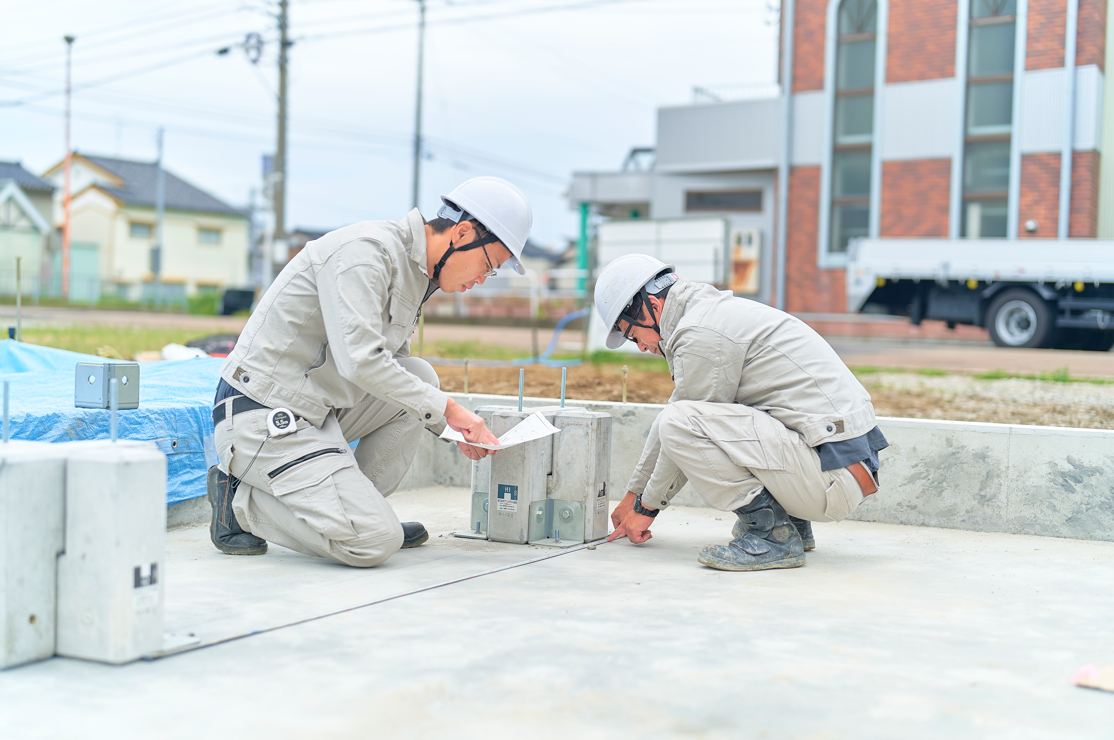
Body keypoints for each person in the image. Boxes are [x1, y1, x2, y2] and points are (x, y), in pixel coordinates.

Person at [207, 177, 532, 567]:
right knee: (375, 543)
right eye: (488, 265)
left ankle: (361, 510)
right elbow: (360, 361)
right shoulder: (365, 254)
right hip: (262, 417)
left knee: (420, 377)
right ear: (462, 233)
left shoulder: (415, 276)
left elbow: (396, 379)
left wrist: (448, 427)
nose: (480, 280)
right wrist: (450, 410)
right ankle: (241, 499)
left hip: (313, 413)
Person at [597, 254, 886, 571]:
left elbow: (679, 426)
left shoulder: (700, 332)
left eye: (632, 333)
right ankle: (791, 521)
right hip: (840, 467)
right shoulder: (709, 313)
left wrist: (646, 508)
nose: (638, 346)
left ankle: (774, 535)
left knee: (681, 422)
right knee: (684, 415)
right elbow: (678, 410)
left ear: (650, 305)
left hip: (832, 479)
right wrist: (633, 493)